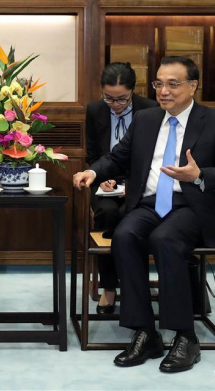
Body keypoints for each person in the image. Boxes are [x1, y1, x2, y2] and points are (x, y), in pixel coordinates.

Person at [73, 56, 215, 373]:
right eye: (158, 83)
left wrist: (199, 175)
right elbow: (116, 157)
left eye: (172, 84)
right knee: (124, 236)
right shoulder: (147, 119)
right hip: (150, 203)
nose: (163, 91)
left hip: (190, 205)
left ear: (192, 86)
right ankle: (145, 332)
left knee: (165, 239)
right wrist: (92, 172)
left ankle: (185, 336)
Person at [85, 62, 158, 314]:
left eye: (122, 100)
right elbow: (93, 154)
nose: (115, 105)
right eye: (109, 99)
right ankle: (109, 287)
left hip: (139, 185)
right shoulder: (94, 111)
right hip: (106, 182)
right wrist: (100, 177)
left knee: (130, 216)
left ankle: (132, 286)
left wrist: (134, 184)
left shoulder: (151, 110)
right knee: (106, 214)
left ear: (133, 91)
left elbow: (154, 157)